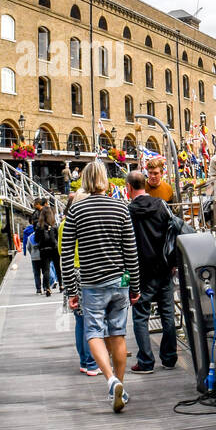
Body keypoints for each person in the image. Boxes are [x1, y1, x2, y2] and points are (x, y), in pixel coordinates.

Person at [63, 162, 141, 411]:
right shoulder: (121, 208)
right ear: (106, 180)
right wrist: (134, 286)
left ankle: (110, 381)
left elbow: (66, 254)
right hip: (120, 280)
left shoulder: (76, 210)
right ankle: (121, 387)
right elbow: (131, 251)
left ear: (84, 181)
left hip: (92, 282)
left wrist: (71, 291)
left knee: (93, 332)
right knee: (117, 334)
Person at [126, 170, 179, 373]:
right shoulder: (161, 206)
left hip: (141, 271)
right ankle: (169, 358)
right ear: (145, 184)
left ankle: (146, 362)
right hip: (164, 267)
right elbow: (172, 233)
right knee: (167, 314)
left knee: (140, 316)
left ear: (129, 187)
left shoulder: (129, 211)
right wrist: (173, 261)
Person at [59, 192, 100, 376]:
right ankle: (92, 362)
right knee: (90, 320)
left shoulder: (62, 224)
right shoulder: (83, 221)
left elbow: (61, 250)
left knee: (79, 320)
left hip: (70, 273)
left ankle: (84, 360)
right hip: (84, 270)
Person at [33, 199, 61, 295]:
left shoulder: (39, 226)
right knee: (57, 267)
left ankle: (48, 288)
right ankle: (61, 285)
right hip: (54, 248)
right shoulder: (54, 225)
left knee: (46, 269)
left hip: (44, 249)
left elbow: (36, 239)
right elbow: (57, 238)